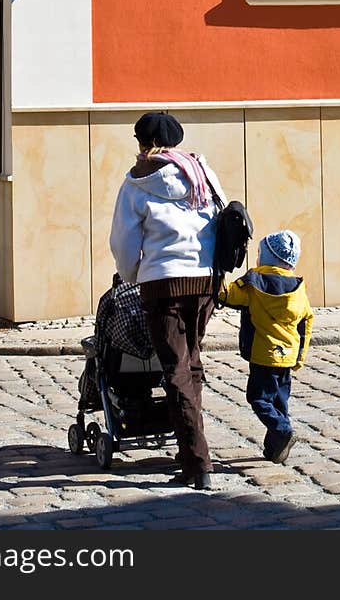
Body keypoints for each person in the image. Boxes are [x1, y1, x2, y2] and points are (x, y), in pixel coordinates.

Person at [109, 109, 226, 491]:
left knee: (175, 369)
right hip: (205, 280)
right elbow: (220, 217)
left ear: (143, 144)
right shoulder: (201, 173)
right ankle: (189, 448)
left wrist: (131, 277)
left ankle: (197, 461)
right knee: (191, 362)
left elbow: (124, 244)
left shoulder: (136, 183)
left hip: (163, 285)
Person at [220, 229, 314, 465]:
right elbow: (307, 322)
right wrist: (299, 358)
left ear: (267, 257)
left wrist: (216, 274)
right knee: (280, 403)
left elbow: (227, 295)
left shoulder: (254, 282)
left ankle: (283, 431)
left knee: (258, 399)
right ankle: (275, 450)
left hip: (263, 355)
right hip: (287, 357)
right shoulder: (298, 289)